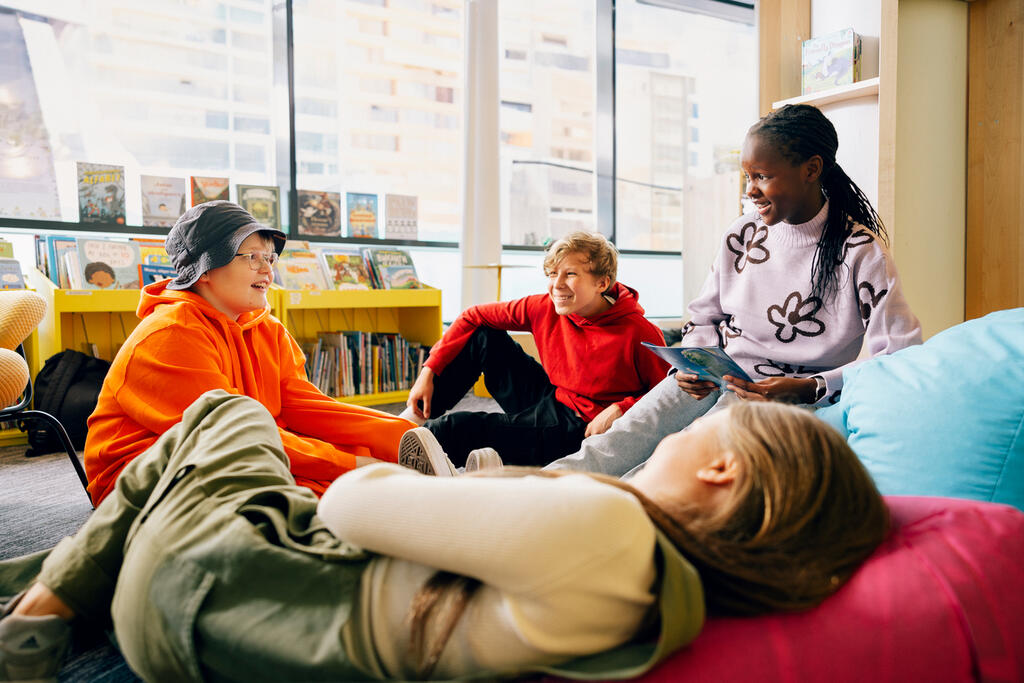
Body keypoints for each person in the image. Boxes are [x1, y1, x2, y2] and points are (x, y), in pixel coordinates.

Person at [0, 390, 888, 682]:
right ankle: (47, 591)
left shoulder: (607, 526)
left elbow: (349, 505)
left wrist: (438, 485)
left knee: (226, 413)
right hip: (243, 636)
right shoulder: (657, 591)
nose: (690, 427)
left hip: (222, 590)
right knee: (169, 489)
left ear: (723, 472)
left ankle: (42, 612)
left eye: (712, 423)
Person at [528, 103, 923, 478]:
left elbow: (899, 354)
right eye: (747, 176)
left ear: (811, 169)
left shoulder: (859, 251)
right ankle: (520, 500)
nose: (750, 190)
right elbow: (704, 315)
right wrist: (691, 363)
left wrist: (810, 387)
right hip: (714, 378)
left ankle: (588, 525)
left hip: (779, 398)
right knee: (618, 442)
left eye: (762, 177)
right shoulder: (742, 234)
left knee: (670, 466)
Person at [82, 200, 413, 505]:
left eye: (269, 258)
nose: (268, 272)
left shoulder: (267, 328)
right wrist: (353, 466)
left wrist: (399, 437)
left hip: (235, 451)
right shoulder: (170, 335)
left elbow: (308, 408)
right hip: (149, 473)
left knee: (352, 457)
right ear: (205, 269)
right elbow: (225, 437)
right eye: (251, 257)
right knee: (308, 491)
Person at [401, 231, 670, 471]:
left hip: (580, 427)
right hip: (555, 396)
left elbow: (668, 397)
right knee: (484, 336)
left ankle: (411, 452)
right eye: (553, 274)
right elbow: (472, 316)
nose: (557, 284)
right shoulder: (545, 306)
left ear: (602, 283)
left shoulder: (640, 332)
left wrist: (621, 408)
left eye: (571, 274)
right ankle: (412, 418)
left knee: (452, 430)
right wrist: (429, 370)